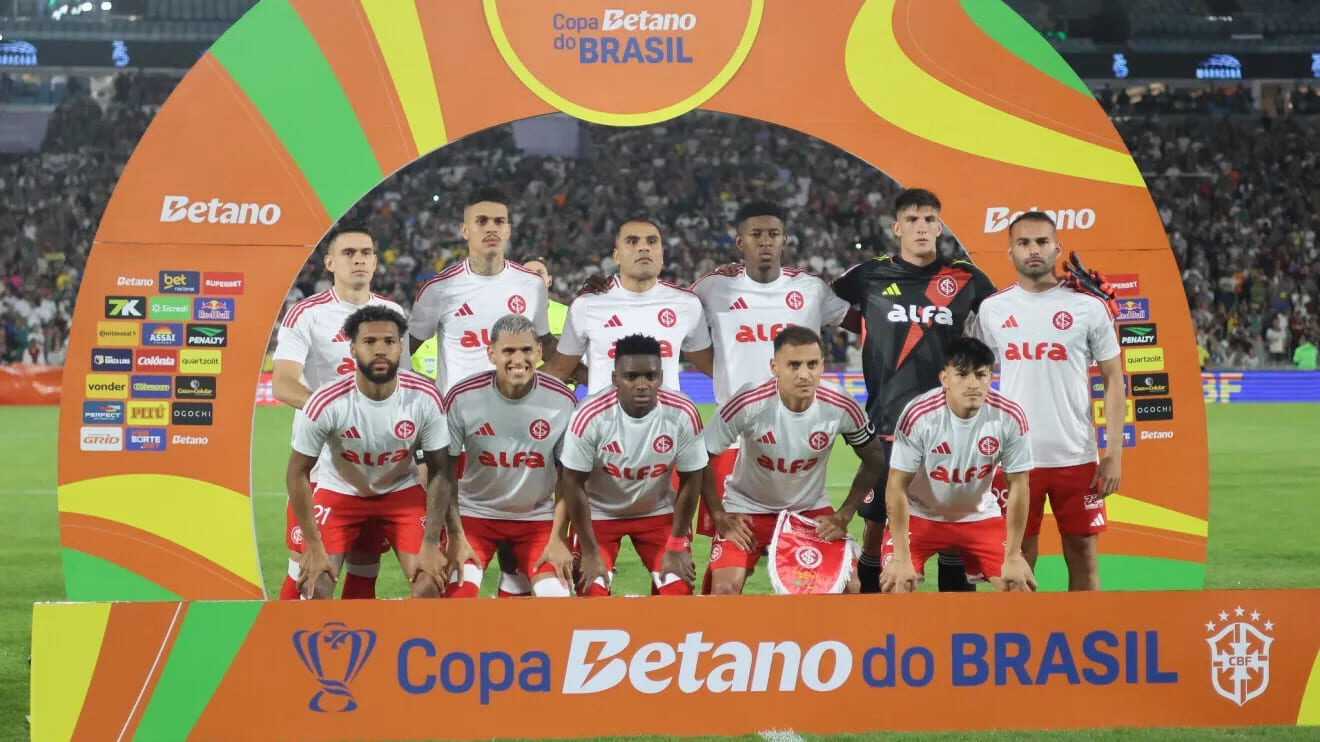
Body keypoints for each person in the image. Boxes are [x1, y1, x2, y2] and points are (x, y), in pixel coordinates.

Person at [831, 188, 997, 594]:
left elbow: (1006, 318)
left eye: (929, 220)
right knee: (876, 522)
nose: (921, 228)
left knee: (952, 523)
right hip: (887, 421)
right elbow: (824, 304)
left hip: (950, 426)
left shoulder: (967, 279)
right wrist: (870, 332)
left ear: (939, 227)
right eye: (912, 220)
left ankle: (955, 618)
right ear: (896, 228)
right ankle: (873, 613)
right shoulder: (867, 276)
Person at [407, 188, 556, 597]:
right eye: (482, 221)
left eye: (499, 221)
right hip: (456, 435)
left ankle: (510, 624)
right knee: (451, 554)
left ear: (508, 230)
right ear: (465, 230)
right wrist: (421, 403)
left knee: (515, 553)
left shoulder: (531, 285)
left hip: (518, 427)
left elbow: (544, 346)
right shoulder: (440, 289)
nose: (491, 228)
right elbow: (405, 350)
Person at [975, 211, 1124, 591]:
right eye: (1023, 243)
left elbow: (1113, 379)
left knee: (1084, 557)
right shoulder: (992, 309)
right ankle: (1025, 631)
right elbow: (976, 380)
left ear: (1057, 249)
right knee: (1017, 560)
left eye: (1042, 242)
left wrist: (1113, 453)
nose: (1033, 250)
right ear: (1010, 252)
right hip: (1014, 460)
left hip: (1077, 457)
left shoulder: (1088, 307)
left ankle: (1085, 630)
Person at [689, 200, 853, 537]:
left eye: (773, 234)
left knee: (798, 540)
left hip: (797, 430)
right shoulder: (713, 287)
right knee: (732, 536)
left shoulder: (810, 289)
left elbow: (863, 322)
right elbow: (673, 314)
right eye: (756, 234)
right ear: (740, 241)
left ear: (784, 240)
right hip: (733, 433)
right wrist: (723, 373)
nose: (765, 241)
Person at [700, 326, 888, 595]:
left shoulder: (840, 404)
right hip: (747, 507)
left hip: (808, 508)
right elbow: (700, 457)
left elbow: (875, 457)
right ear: (774, 367)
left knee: (850, 586)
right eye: (794, 365)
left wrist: (844, 515)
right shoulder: (748, 402)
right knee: (725, 590)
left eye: (812, 364)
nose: (804, 374)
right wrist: (719, 514)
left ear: (822, 365)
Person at [272, 225, 406, 600]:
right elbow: (283, 383)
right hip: (320, 464)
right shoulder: (307, 314)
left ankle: (357, 639)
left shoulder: (393, 313)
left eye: (366, 252)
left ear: (375, 262)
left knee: (366, 567)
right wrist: (337, 414)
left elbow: (404, 384)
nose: (358, 259)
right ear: (330, 263)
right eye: (348, 253)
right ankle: (280, 636)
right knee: (306, 569)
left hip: (377, 463)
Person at [287, 306, 450, 599]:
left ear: (401, 347)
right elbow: (297, 473)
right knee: (315, 586)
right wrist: (313, 545)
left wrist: (430, 543)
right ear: (353, 348)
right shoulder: (326, 401)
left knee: (429, 584)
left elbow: (441, 471)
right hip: (340, 492)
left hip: (401, 492)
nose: (380, 350)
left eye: (389, 341)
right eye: (369, 341)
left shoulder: (425, 397)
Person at [438, 314, 586, 598]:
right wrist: (455, 535)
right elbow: (444, 474)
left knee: (557, 600)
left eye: (526, 350)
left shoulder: (562, 400)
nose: (518, 359)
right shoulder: (462, 397)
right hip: (474, 515)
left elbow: (568, 477)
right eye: (508, 350)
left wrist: (558, 537)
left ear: (539, 352)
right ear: (491, 353)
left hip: (537, 518)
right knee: (458, 597)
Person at [878, 337, 1036, 593]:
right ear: (945, 378)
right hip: (920, 517)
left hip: (980, 517)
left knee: (1018, 585)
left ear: (990, 377)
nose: (972, 384)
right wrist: (901, 557)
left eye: (981, 375)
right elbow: (896, 485)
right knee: (896, 584)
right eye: (962, 375)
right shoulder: (919, 415)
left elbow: (1019, 486)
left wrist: (1013, 555)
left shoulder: (1010, 416)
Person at [559, 334, 707, 596]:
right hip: (599, 515)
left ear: (661, 377)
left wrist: (675, 545)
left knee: (678, 591)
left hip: (657, 512)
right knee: (590, 591)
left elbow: (692, 479)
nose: (642, 385)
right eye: (631, 377)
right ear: (615, 378)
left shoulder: (683, 412)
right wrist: (590, 551)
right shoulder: (589, 416)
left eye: (650, 376)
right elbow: (571, 482)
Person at [543, 218, 713, 394]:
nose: (644, 247)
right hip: (604, 412)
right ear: (616, 256)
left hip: (666, 412)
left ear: (662, 254)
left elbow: (710, 365)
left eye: (652, 241)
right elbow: (560, 369)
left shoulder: (686, 303)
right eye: (632, 241)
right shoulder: (587, 304)